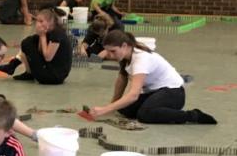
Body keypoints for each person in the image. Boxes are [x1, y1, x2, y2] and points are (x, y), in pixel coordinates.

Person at [88, 31, 217, 124]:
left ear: (125, 46)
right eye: (107, 51)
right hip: (155, 92)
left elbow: (133, 95)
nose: (109, 55)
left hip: (174, 93)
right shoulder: (125, 56)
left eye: (113, 51)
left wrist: (105, 109)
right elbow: (122, 79)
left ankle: (193, 116)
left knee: (145, 115)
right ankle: (157, 109)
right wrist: (112, 105)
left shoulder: (141, 59)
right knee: (123, 108)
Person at [0, 9, 72, 85]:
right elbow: (40, 51)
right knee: (29, 41)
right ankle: (20, 69)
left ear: (50, 22)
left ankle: (16, 67)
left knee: (27, 44)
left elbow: (48, 57)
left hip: (54, 76)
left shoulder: (56, 34)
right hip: (51, 70)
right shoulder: (50, 32)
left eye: (41, 21)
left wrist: (42, 36)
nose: (38, 24)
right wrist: (41, 36)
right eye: (37, 21)